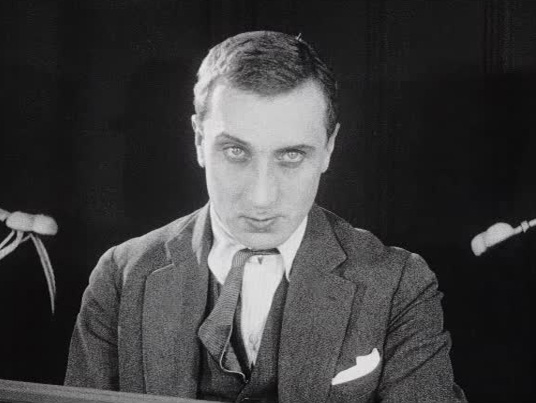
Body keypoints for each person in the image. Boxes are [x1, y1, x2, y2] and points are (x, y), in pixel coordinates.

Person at [65, 31, 466, 402]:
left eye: (291, 155)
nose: (261, 197)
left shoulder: (398, 286)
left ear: (328, 149)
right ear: (199, 141)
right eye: (236, 152)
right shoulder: (121, 276)